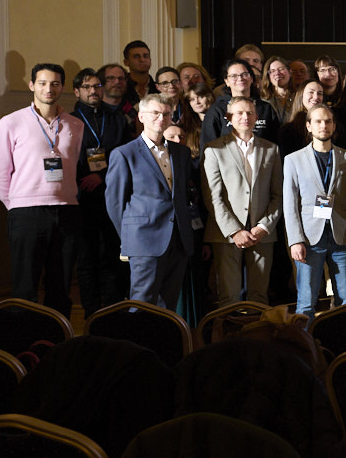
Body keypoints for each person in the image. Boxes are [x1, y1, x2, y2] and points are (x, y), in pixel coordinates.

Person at [0, 62, 86, 313]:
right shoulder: (11, 122)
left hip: (67, 210)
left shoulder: (75, 125)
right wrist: (16, 204)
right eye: (42, 83)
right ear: (32, 85)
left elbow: (74, 165)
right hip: (27, 213)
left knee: (61, 286)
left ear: (62, 87)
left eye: (55, 83)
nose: (49, 89)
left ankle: (58, 335)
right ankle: (24, 335)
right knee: (25, 286)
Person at [103, 94, 204, 309]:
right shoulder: (124, 153)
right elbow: (115, 204)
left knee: (169, 304)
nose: (161, 118)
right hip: (143, 239)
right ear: (141, 117)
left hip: (179, 239)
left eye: (166, 114)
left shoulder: (182, 152)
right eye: (155, 113)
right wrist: (132, 236)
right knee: (142, 303)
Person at [283, 104, 346, 315]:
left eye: (328, 121)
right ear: (308, 126)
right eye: (318, 121)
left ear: (334, 126)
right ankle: (305, 338)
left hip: (342, 238)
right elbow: (290, 204)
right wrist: (295, 240)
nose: (323, 125)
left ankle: (342, 337)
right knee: (306, 303)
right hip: (309, 239)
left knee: (345, 301)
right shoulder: (293, 160)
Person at [202, 97, 283, 307]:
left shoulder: (271, 149)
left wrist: (264, 226)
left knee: (260, 297)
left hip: (261, 233)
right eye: (239, 113)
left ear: (256, 117)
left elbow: (278, 194)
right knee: (228, 298)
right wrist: (234, 231)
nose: (245, 117)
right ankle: (228, 330)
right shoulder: (213, 149)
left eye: (249, 113)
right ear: (228, 118)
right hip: (226, 234)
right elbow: (212, 197)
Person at [70, 67, 134, 312]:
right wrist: (84, 178)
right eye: (86, 87)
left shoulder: (117, 118)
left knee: (113, 255)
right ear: (77, 91)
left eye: (97, 86)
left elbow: (127, 154)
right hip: (82, 198)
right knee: (86, 259)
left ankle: (113, 310)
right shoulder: (70, 121)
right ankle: (91, 312)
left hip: (112, 193)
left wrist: (101, 175)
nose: (93, 91)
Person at [202, 58, 282, 144]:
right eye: (234, 76)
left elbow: (276, 143)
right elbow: (208, 146)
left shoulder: (265, 108)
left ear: (251, 78)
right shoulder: (217, 110)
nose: (240, 78)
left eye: (244, 74)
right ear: (226, 81)